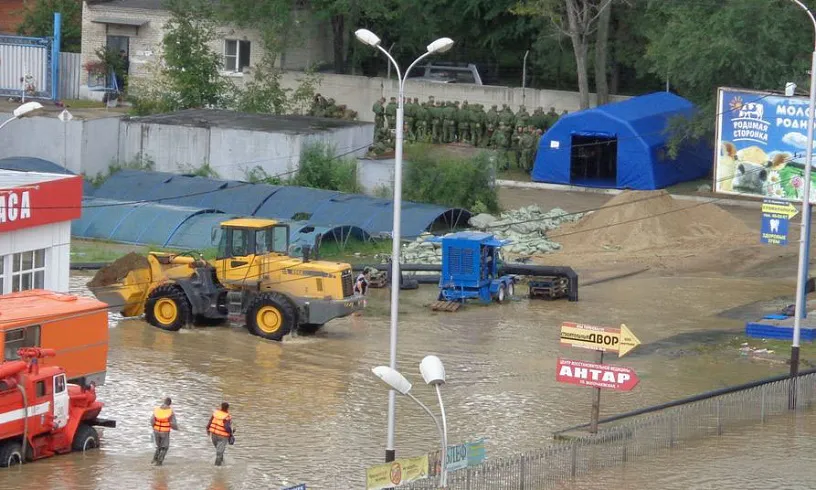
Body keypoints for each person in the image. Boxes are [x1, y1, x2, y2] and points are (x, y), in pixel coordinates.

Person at [150, 397, 178, 466]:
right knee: (165, 447)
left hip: (156, 431)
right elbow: (173, 424)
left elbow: (152, 420)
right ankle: (159, 462)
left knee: (158, 446)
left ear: (164, 402)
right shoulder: (170, 412)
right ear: (170, 404)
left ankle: (154, 460)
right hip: (165, 432)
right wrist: (176, 428)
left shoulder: (157, 410)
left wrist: (154, 427)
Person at [207, 402, 234, 466]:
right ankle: (217, 468)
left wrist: (208, 431)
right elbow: (227, 427)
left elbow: (209, 423)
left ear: (221, 407)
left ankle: (221, 463)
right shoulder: (227, 417)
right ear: (227, 408)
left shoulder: (215, 414)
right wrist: (231, 433)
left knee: (219, 451)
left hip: (214, 434)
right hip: (223, 436)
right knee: (219, 452)